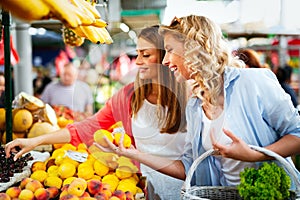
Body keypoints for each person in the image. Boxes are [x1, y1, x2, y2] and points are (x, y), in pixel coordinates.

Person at [93, 15, 300, 195]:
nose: (165, 61)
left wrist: (254, 155)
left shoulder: (252, 82)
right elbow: (188, 167)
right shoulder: (195, 106)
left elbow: (297, 133)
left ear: (193, 48)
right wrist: (131, 153)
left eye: (170, 50)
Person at [5, 25, 190, 200]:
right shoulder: (128, 96)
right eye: (138, 53)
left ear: (166, 58)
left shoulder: (189, 95)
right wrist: (35, 140)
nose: (138, 61)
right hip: (147, 190)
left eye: (146, 54)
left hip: (190, 190)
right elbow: (85, 128)